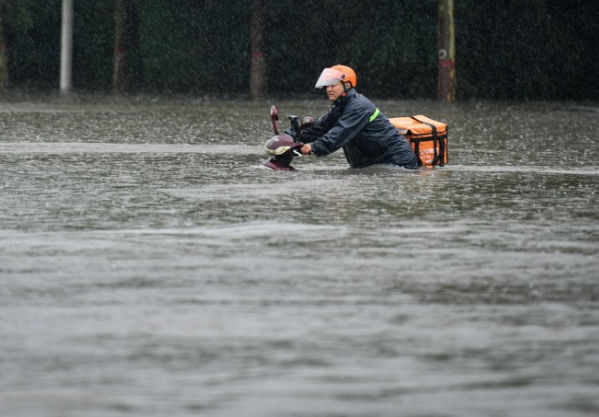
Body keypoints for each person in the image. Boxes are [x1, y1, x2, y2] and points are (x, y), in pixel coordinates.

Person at [296, 65, 418, 169]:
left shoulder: (358, 106)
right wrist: (290, 136)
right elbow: (319, 127)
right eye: (327, 86)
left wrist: (312, 147)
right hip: (372, 162)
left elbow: (340, 134)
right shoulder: (340, 106)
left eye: (332, 85)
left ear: (347, 85)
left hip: (397, 162)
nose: (328, 89)